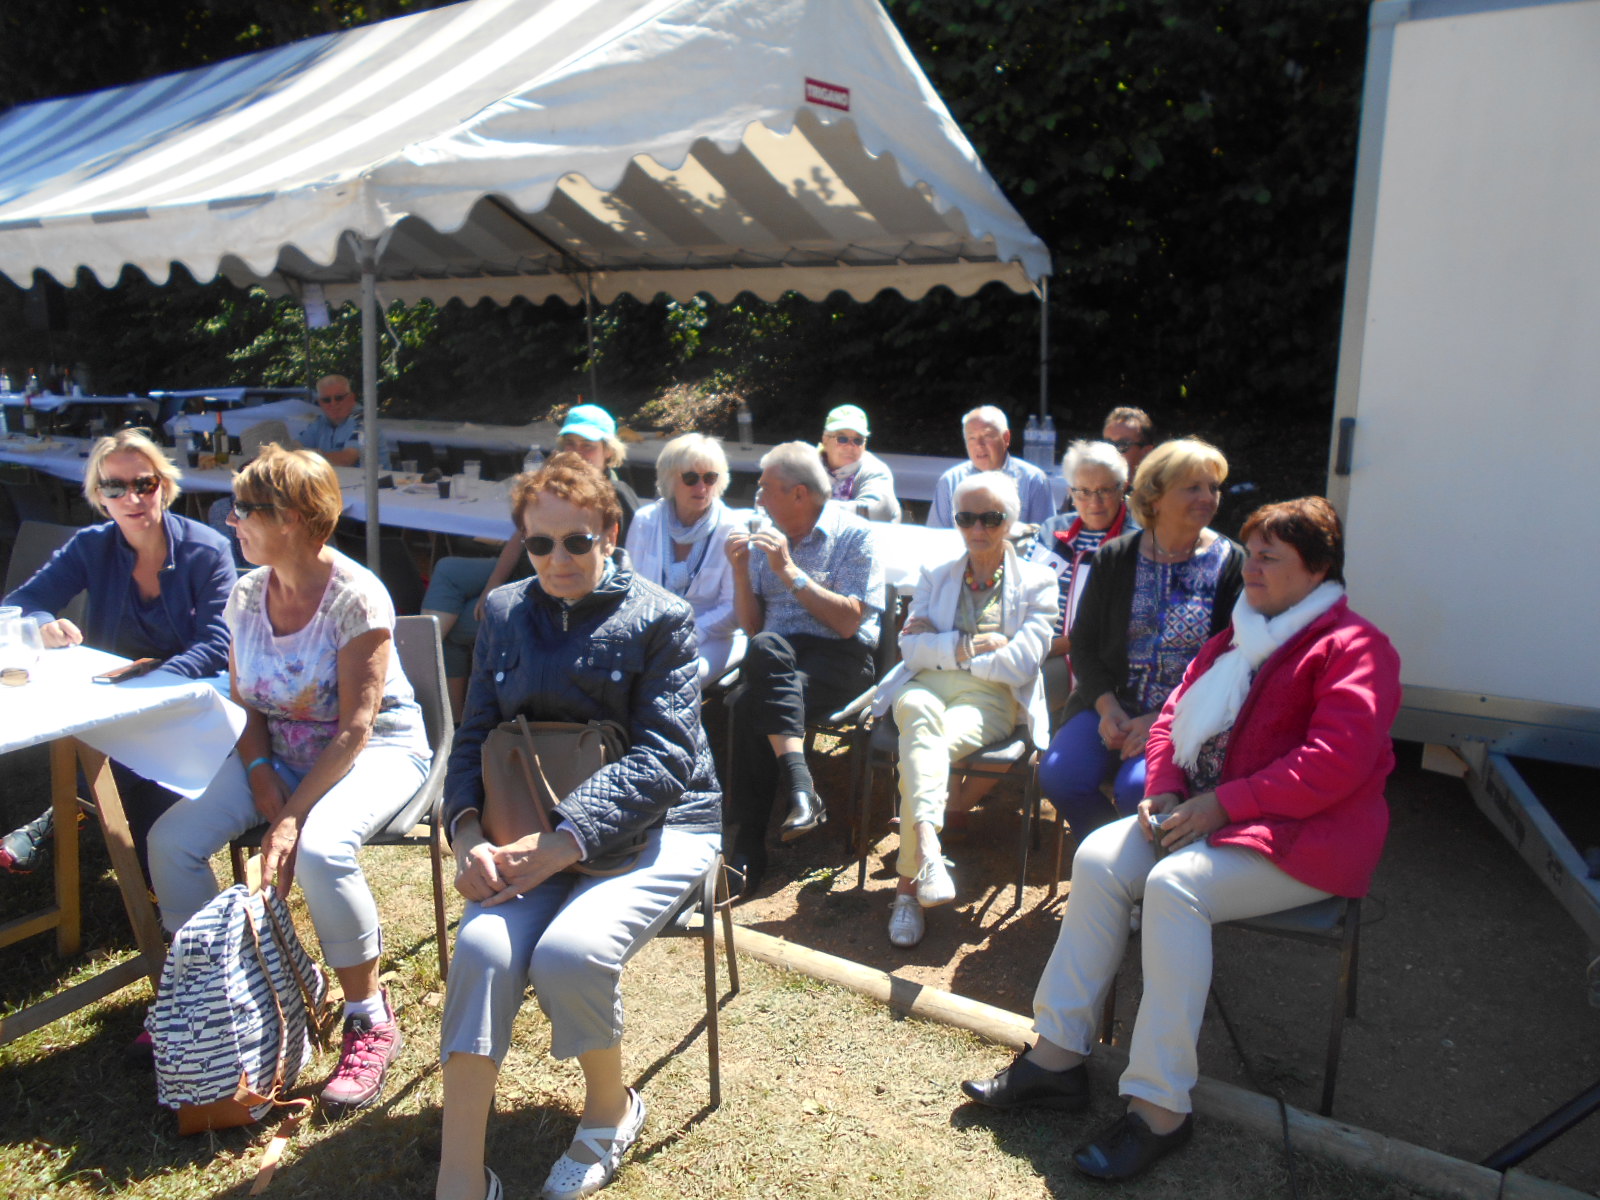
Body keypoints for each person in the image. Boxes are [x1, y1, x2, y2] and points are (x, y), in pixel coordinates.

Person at [962, 497, 1401, 1181]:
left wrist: (1225, 804)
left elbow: (1335, 763)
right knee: (1100, 858)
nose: (1249, 564)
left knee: (1173, 888)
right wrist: (1165, 785)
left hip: (1306, 839)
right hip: (1213, 814)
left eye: (1269, 556)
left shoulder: (1356, 647)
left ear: (1317, 571)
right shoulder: (1239, 634)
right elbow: (1171, 717)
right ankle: (1056, 1060)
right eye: (1250, 550)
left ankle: (1161, 1108)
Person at [433, 453, 721, 1200]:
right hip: (524, 825)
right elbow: (471, 739)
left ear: (612, 533)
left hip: (663, 824)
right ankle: (459, 1172)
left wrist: (563, 837)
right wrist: (467, 838)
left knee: (569, 954)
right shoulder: (502, 612)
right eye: (540, 544)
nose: (557, 560)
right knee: (482, 946)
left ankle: (610, 1110)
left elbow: (667, 759)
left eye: (577, 542)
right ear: (523, 544)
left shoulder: (661, 616)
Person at [147, 445, 431, 1110]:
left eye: (245, 509)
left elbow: (357, 728)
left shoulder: (357, 598)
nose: (231, 521)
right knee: (172, 841)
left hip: (375, 749)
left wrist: (292, 814)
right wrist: (257, 771)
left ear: (297, 520)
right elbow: (244, 704)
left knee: (322, 851)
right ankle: (215, 995)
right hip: (279, 749)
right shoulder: (247, 594)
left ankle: (368, 1013)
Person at [0, 429, 234, 878]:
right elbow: (21, 604)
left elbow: (216, 643)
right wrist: (44, 623)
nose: (132, 497)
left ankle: (63, 820)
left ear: (163, 486)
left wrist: (152, 687)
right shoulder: (92, 545)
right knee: (137, 769)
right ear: (99, 496)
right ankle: (135, 867)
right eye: (115, 487)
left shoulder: (207, 549)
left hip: (193, 693)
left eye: (144, 483)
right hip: (114, 693)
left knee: (149, 770)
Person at [869, 472, 1056, 947]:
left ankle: (908, 890)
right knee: (920, 727)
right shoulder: (938, 572)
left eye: (990, 518)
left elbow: (1021, 662)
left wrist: (942, 643)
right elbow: (910, 652)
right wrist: (973, 645)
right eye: (966, 517)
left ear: (1011, 521)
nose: (978, 528)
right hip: (924, 688)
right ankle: (929, 854)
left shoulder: (1038, 581)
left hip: (989, 699)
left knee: (920, 751)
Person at [1038, 438, 1242, 838]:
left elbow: (1233, 664)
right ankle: (1104, 861)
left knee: (1139, 790)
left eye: (1213, 487)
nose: (1208, 497)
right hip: (1110, 705)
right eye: (1193, 487)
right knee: (1061, 775)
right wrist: (1106, 705)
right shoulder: (1117, 556)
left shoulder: (1230, 562)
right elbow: (1084, 643)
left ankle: (1142, 882)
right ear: (1156, 495)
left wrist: (1158, 720)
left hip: (1186, 717)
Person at [723, 441, 884, 898]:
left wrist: (790, 571)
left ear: (798, 494)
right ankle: (800, 788)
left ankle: (748, 847)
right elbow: (752, 627)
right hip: (777, 656)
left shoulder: (854, 536)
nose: (758, 499)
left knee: (753, 702)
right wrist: (739, 571)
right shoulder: (762, 538)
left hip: (840, 657)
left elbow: (850, 620)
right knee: (767, 647)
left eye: (765, 489)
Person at [421, 404, 638, 716]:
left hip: (544, 590)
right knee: (447, 568)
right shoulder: (554, 485)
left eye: (587, 447)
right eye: (570, 445)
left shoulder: (615, 496)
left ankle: (447, 717)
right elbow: (518, 537)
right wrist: (491, 588)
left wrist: (498, 597)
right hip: (524, 570)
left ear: (608, 452)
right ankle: (421, 660)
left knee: (457, 633)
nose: (577, 455)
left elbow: (619, 569)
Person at [1023, 440, 1138, 722]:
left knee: (1015, 689)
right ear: (1070, 492)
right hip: (1032, 647)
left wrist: (1047, 647)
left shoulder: (1137, 542)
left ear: (1123, 488)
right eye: (1083, 491)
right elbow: (1018, 591)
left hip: (1091, 665)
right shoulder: (1052, 530)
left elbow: (1119, 628)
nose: (1094, 502)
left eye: (1104, 491)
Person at [624, 433, 744, 684]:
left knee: (677, 678)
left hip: (712, 638)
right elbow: (629, 590)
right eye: (690, 478)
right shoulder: (646, 521)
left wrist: (686, 634)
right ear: (670, 479)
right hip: (650, 633)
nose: (701, 488)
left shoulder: (732, 529)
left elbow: (733, 609)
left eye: (710, 478)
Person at [927, 405, 1055, 529]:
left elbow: (1045, 540)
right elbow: (937, 538)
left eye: (987, 436)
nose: (979, 445)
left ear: (1006, 438)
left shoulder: (1033, 480)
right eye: (972, 438)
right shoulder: (950, 481)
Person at [818, 403, 900, 523]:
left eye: (858, 440)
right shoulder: (807, 466)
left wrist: (816, 509)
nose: (850, 447)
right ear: (825, 440)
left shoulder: (875, 471)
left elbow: (878, 511)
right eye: (842, 439)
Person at [299, 373, 389, 468]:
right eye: (326, 400)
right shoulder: (320, 422)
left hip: (376, 482)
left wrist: (311, 455)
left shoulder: (363, 421)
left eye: (339, 398)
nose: (333, 404)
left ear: (351, 398)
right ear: (320, 403)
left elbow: (347, 460)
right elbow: (295, 446)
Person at [1102, 405, 1156, 478]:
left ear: (1146, 452)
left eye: (1122, 445)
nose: (1112, 452)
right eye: (1107, 445)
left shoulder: (1162, 487)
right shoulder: (1085, 486)